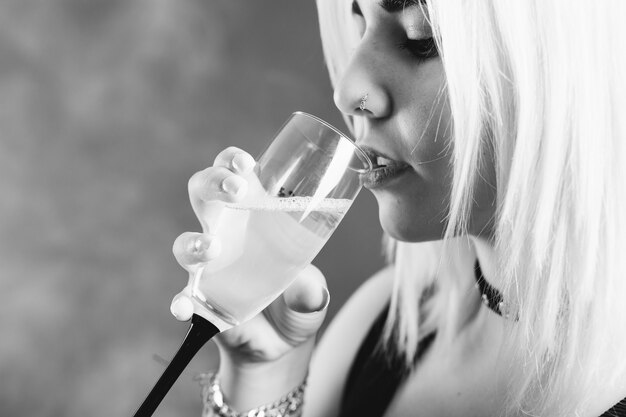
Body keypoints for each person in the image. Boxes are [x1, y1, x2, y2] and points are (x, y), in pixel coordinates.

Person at [170, 0, 626, 415]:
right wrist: (261, 376)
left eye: (420, 38)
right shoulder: (380, 327)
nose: (348, 90)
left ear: (573, 68)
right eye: (359, 26)